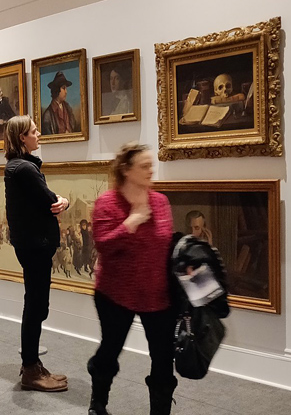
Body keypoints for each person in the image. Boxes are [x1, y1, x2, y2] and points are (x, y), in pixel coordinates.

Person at [88, 142, 177, 415]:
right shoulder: (108, 203)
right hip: (116, 294)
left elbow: (166, 245)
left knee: (163, 359)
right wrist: (131, 222)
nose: (151, 170)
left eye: (152, 165)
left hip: (158, 295)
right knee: (110, 351)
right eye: (145, 166)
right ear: (126, 170)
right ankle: (98, 405)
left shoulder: (160, 201)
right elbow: (102, 244)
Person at [3, 115, 69, 392]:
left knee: (36, 304)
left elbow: (47, 200)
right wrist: (63, 201)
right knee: (36, 306)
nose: (38, 134)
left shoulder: (18, 166)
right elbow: (50, 200)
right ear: (22, 138)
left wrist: (60, 201)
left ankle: (32, 364)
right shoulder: (24, 169)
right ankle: (30, 368)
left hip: (31, 244)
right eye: (34, 131)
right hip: (35, 245)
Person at [41, 71, 78, 135]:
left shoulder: (68, 108)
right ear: (57, 90)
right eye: (63, 88)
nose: (66, 92)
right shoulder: (47, 115)